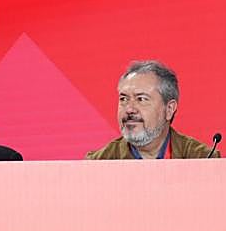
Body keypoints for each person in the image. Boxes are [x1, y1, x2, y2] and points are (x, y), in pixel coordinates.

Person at [86, 60, 219, 159]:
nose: (129, 109)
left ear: (169, 109)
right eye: (124, 99)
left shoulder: (201, 158)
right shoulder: (99, 162)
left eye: (141, 99)